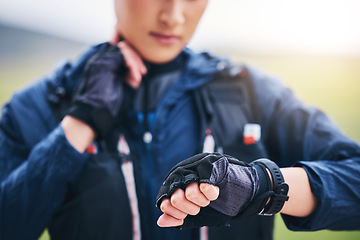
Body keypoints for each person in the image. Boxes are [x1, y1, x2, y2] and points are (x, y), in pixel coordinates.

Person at [0, 0, 359, 240]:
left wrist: (259, 187)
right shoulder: (40, 104)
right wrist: (81, 120)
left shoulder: (251, 90)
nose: (173, 15)